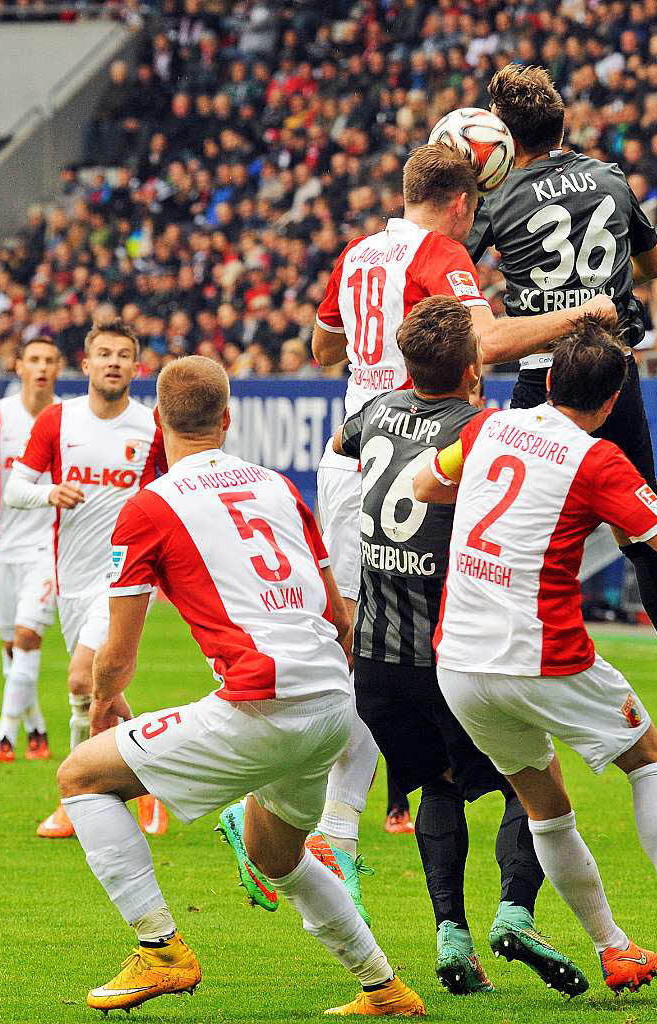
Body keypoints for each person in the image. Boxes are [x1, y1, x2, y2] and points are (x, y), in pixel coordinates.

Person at [218, 143, 614, 920]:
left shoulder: (360, 249)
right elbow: (488, 343)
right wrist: (586, 312)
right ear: (464, 202)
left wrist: (379, 347)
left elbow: (322, 345)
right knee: (408, 641)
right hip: (411, 449)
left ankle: (329, 821)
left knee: (367, 644)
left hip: (354, 448)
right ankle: (333, 818)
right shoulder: (442, 250)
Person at [55, 356, 425, 1018]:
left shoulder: (152, 505)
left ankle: (160, 951)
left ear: (158, 422)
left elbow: (119, 645)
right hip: (332, 705)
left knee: (82, 776)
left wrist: (106, 702)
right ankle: (384, 987)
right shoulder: (278, 487)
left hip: (261, 701)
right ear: (228, 419)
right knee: (274, 853)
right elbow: (340, 616)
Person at [413, 318, 657, 994]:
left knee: (544, 805)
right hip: (542, 652)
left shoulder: (483, 430)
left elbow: (425, 485)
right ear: (608, 402)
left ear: (547, 381)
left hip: (459, 661)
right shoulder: (595, 460)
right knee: (648, 756)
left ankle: (613, 947)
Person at [333, 295, 588, 998]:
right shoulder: (482, 427)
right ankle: (514, 912)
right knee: (530, 782)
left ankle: (451, 934)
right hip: (452, 651)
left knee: (433, 785)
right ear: (474, 366)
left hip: (378, 657)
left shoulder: (376, 410)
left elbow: (339, 445)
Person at [467, 63, 657, 716]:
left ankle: (503, 652)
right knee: (643, 520)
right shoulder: (608, 177)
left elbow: (454, 265)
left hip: (543, 370)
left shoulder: (500, 195)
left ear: (505, 139)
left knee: (510, 521)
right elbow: (653, 265)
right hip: (611, 369)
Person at [4, 319, 167, 839]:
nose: (114, 361)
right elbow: (13, 490)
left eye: (123, 354)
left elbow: (172, 490)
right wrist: (49, 493)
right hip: (71, 577)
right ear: (87, 364)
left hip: (126, 575)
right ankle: (151, 778)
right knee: (100, 693)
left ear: (136, 368)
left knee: (81, 679)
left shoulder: (150, 427)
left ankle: (74, 801)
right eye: (104, 353)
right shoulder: (58, 420)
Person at [0, 336, 61, 762]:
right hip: (3, 546)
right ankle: (37, 728)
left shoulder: (68, 419)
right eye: (34, 359)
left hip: (49, 548)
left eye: (50, 361)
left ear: (59, 368)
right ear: (18, 365)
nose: (42, 367)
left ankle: (4, 737)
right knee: (13, 649)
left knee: (26, 635)